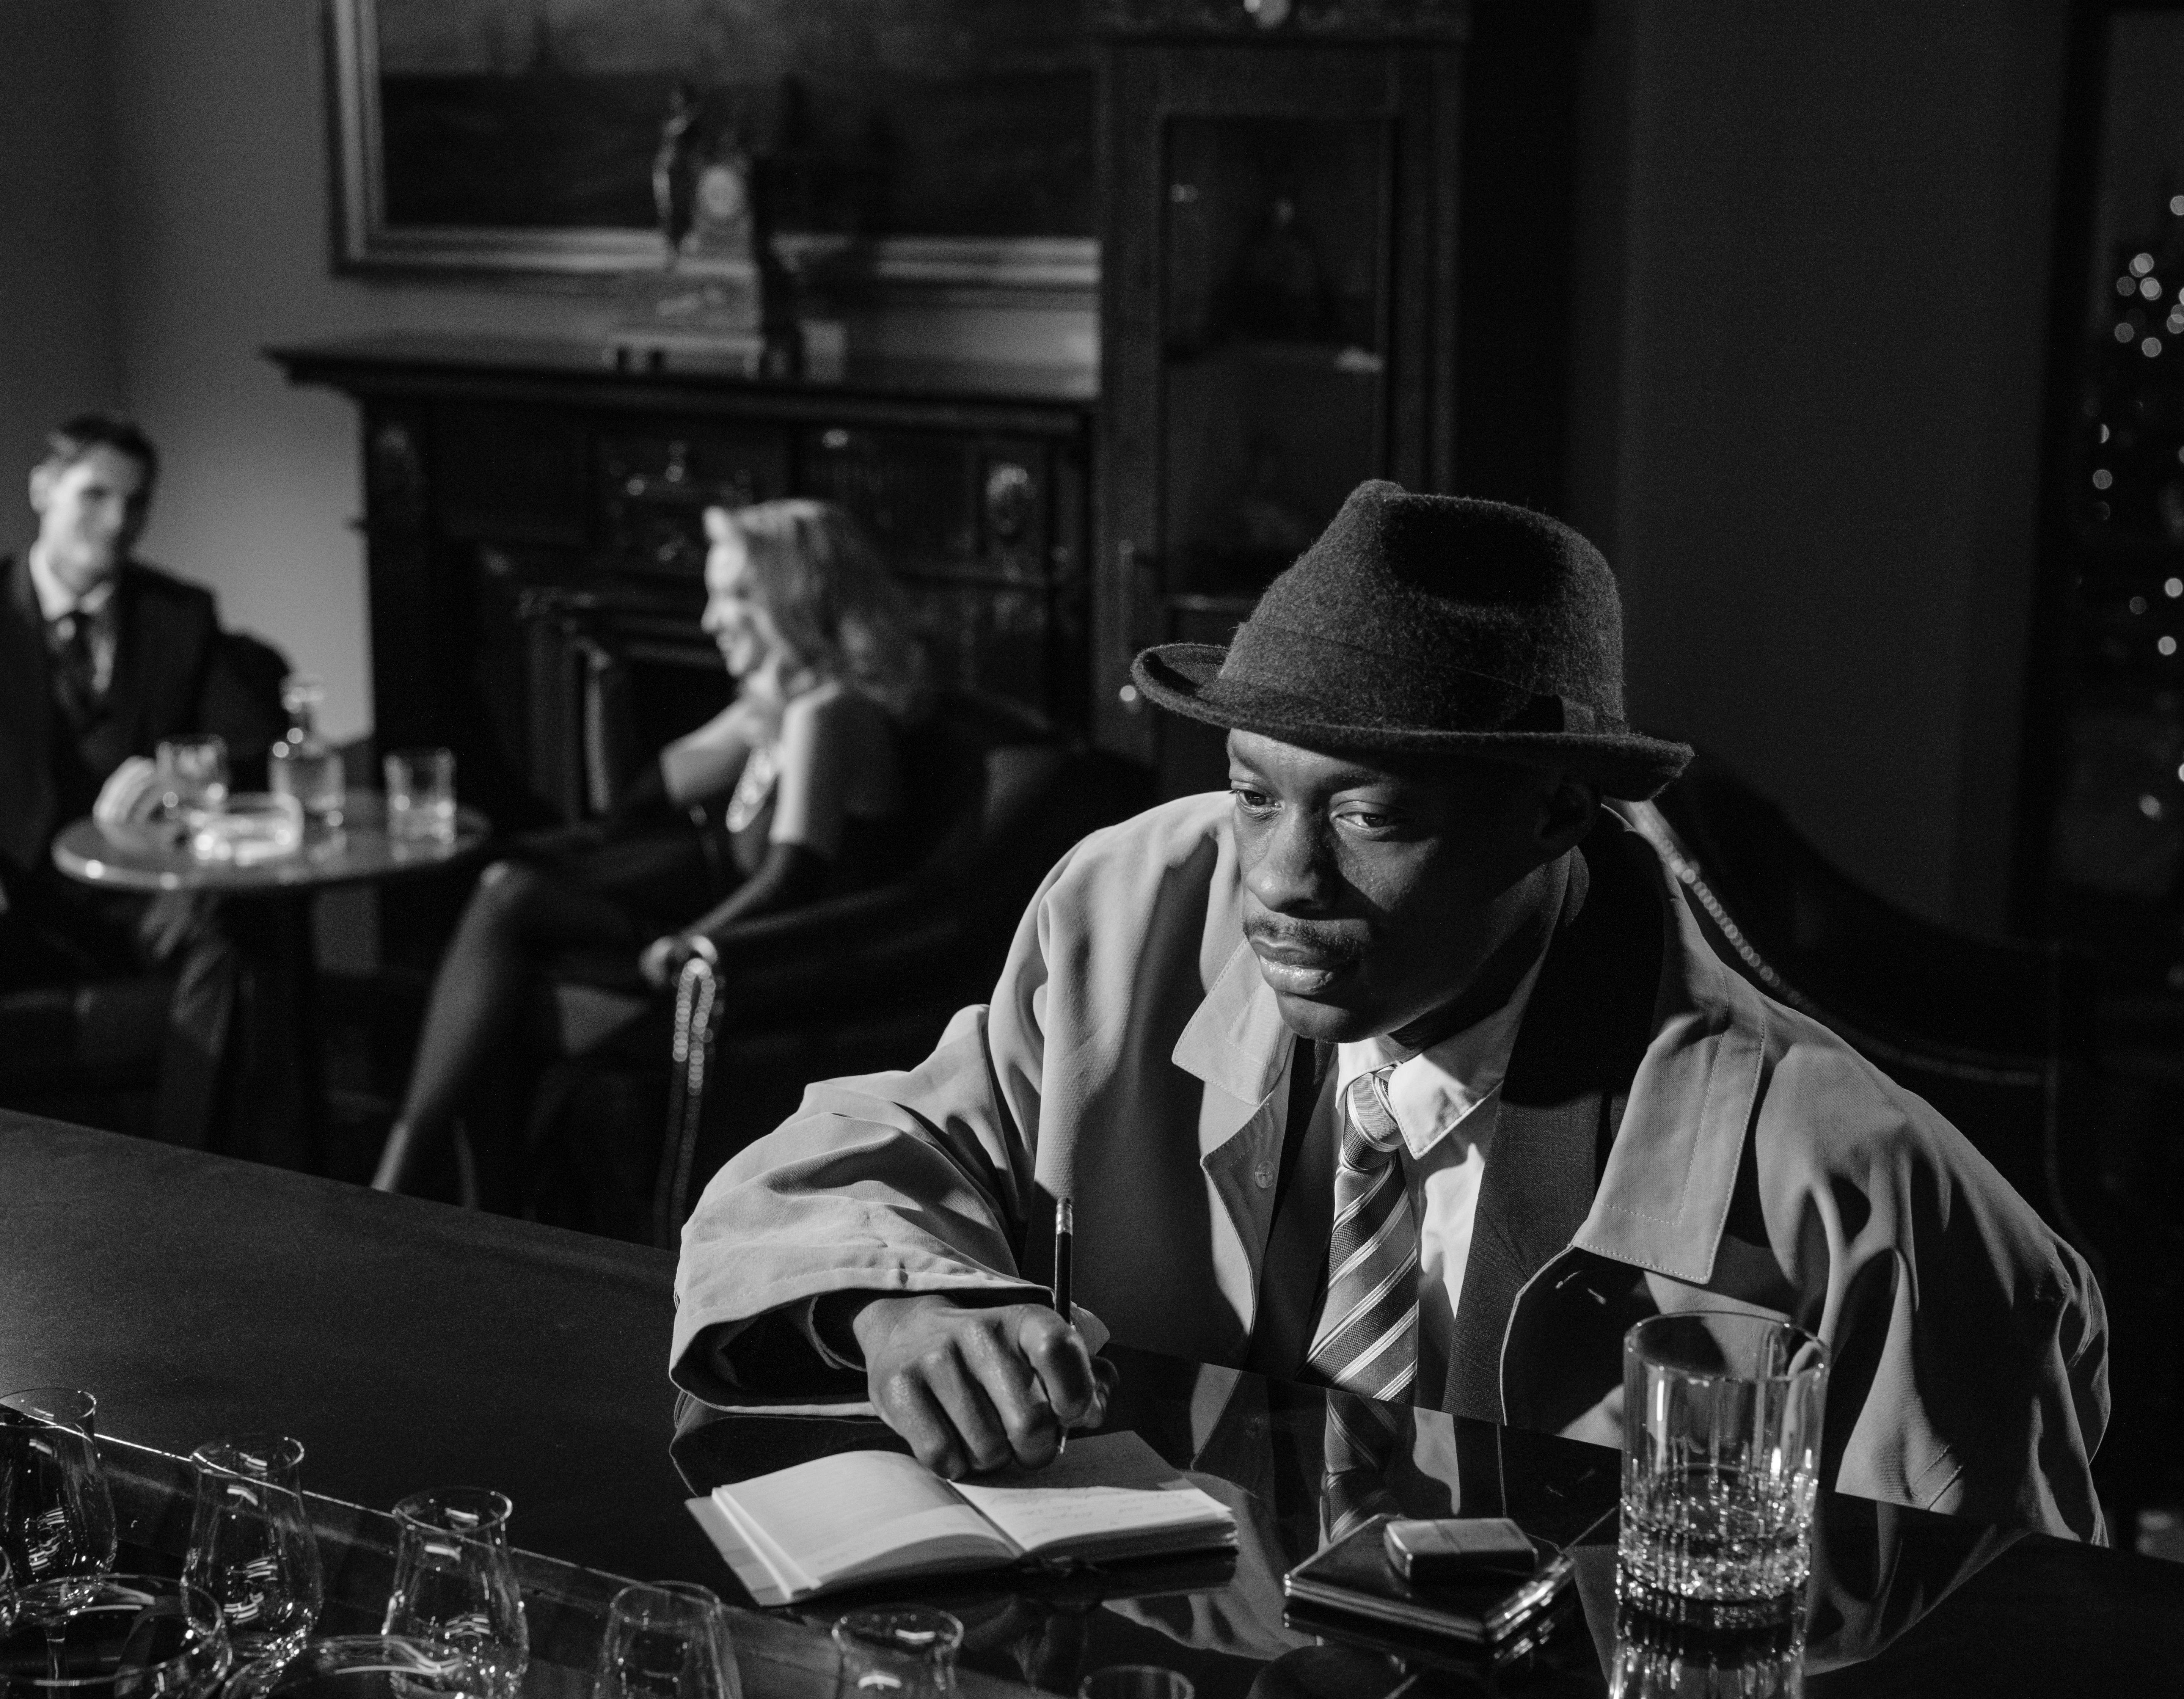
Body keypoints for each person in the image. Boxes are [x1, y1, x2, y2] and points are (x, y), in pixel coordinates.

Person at [669, 479, 2111, 1545]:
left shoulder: (1860, 1189)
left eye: (1371, 815)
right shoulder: (1136, 906)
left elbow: (1999, 1627)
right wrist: (902, 1300)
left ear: (1557, 811)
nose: (1281, 881)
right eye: (1250, 790)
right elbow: (865, 1147)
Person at [370, 498, 929, 1203]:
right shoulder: (773, 714)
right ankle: (460, 1192)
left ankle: (410, 1177)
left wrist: (693, 942)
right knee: (509, 906)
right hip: (725, 950)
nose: (709, 620)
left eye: (733, 596)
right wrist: (609, 685)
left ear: (796, 598)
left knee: (508, 918)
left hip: (775, 976)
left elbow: (793, 878)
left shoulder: (830, 716)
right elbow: (635, 799)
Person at [0, 414, 284, 1146]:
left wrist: (182, 779)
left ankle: (191, 1178)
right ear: (44, 489)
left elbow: (256, 747)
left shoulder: (179, 614)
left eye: (136, 504)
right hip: (10, 898)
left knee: (235, 937)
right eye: (95, 496)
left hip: (144, 898)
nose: (116, 522)